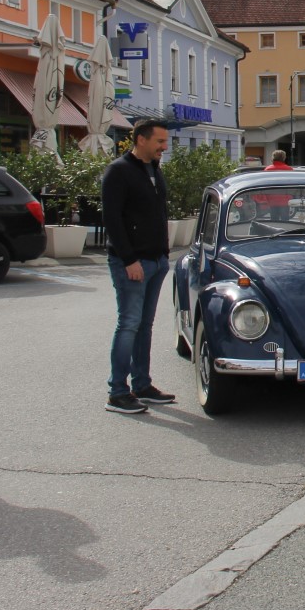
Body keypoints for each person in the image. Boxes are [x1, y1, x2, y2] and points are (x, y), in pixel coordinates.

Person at [101, 119, 177, 415]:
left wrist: (163, 255)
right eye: (159, 142)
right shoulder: (118, 171)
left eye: (165, 142)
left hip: (156, 260)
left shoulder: (154, 170)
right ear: (141, 140)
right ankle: (117, 392)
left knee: (144, 326)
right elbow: (112, 219)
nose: (164, 147)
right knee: (129, 324)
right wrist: (129, 259)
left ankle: (142, 385)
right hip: (132, 262)